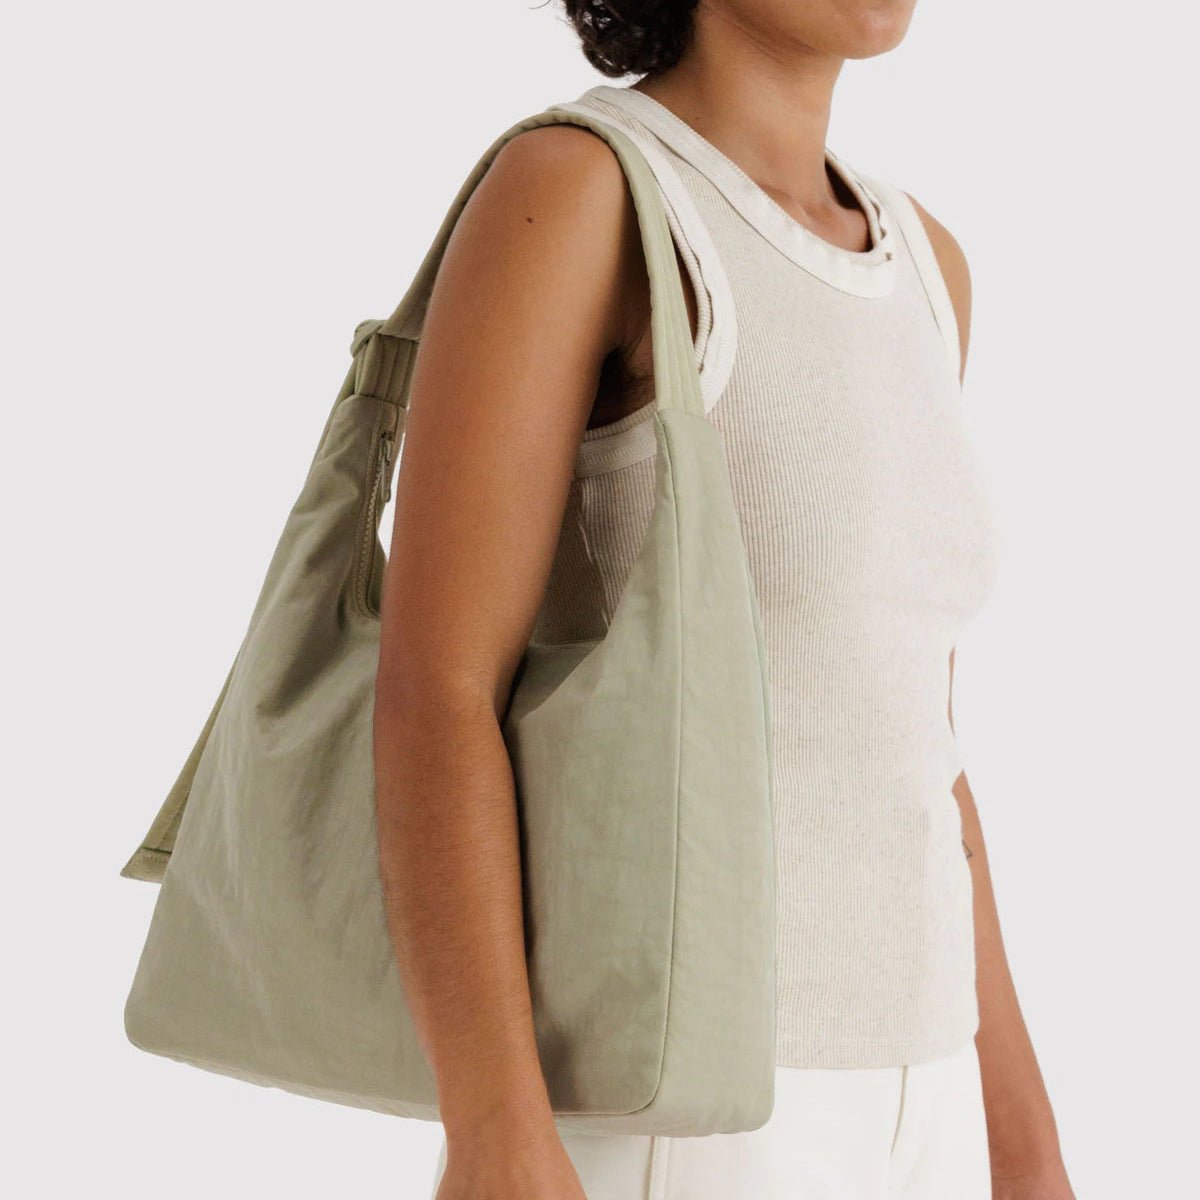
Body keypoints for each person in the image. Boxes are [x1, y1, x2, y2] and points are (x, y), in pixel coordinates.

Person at [371, 2, 1075, 1197]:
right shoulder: (584, 193)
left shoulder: (927, 264)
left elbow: (921, 748)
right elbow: (437, 691)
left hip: (932, 1097)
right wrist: (494, 1130)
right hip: (690, 1111)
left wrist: (1024, 1140)